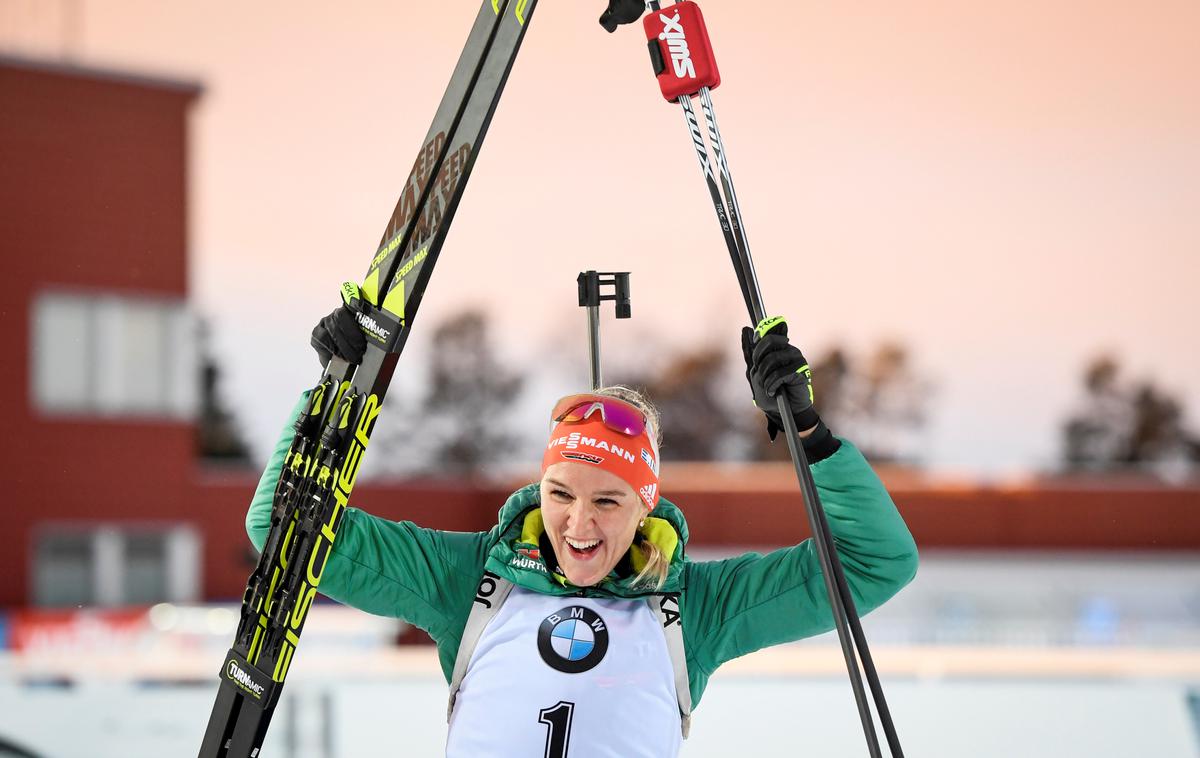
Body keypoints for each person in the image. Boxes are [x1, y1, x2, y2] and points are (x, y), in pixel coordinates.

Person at [245, 304, 919, 756]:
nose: (579, 522)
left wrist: (807, 432)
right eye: (561, 493)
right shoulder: (472, 579)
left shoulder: (697, 609)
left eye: (608, 500)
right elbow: (285, 529)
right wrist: (327, 395)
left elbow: (873, 564)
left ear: (646, 505)